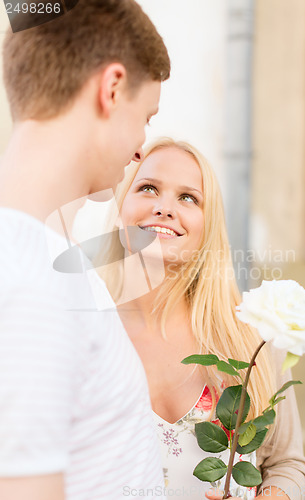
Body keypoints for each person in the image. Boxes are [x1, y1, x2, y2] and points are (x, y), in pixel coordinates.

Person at [0, 1, 170, 499]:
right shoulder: (29, 276)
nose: (141, 145)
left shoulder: (48, 256)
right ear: (111, 88)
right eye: (146, 116)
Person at [99, 138, 305, 500]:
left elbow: (286, 465)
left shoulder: (252, 337)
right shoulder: (84, 331)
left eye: (188, 198)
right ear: (121, 208)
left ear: (208, 226)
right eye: (148, 188)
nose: (165, 208)